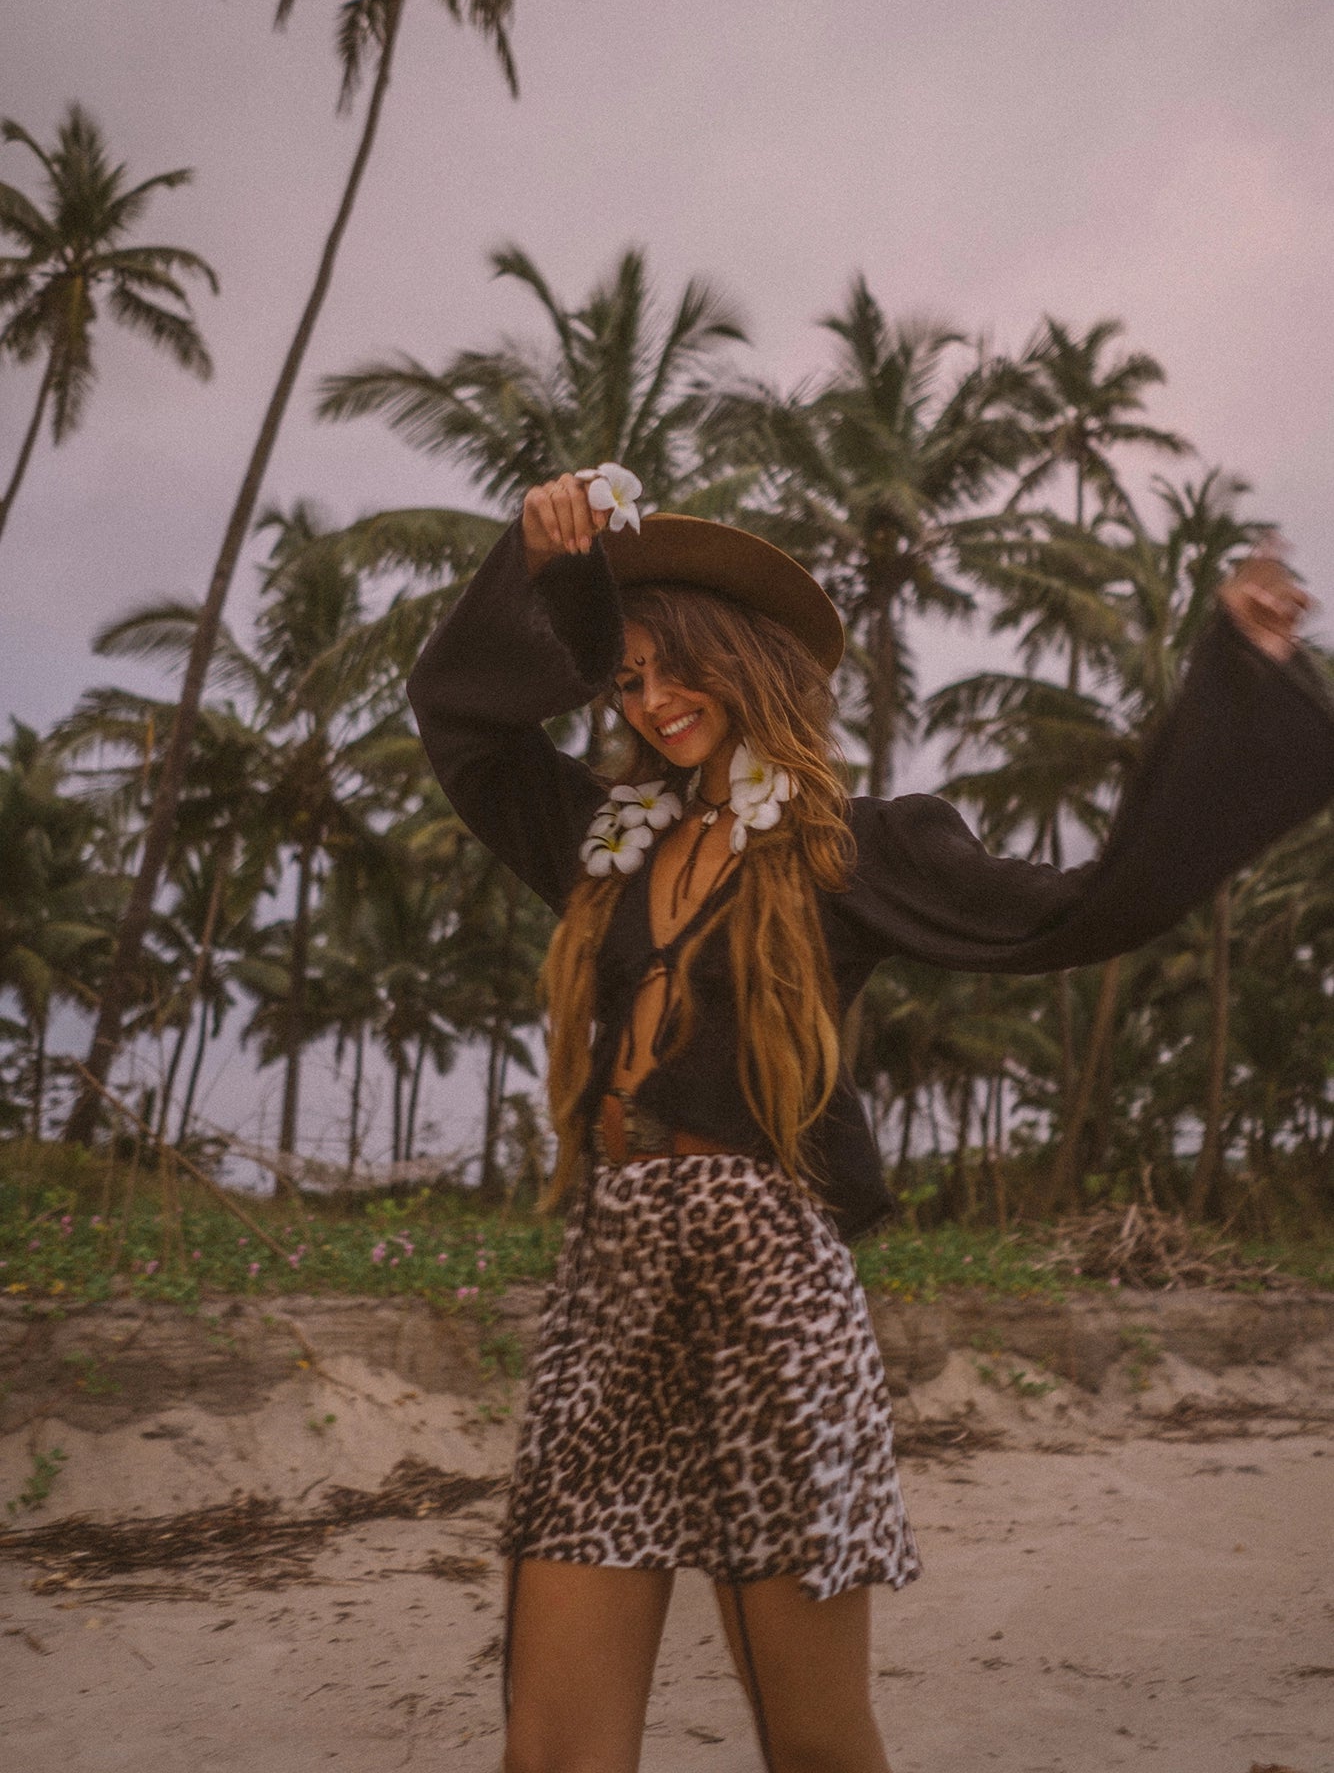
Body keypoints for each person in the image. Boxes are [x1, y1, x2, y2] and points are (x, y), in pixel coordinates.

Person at [407, 473, 1330, 1773]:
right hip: (609, 1285)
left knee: (817, 1745)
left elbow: (1088, 909)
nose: (654, 702)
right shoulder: (599, 836)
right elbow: (464, 729)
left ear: (752, 665)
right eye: (624, 681)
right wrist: (555, 579)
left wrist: (1236, 673)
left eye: (682, 672)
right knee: (551, 1747)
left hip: (770, 1294)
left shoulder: (855, 844)